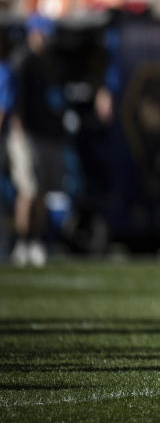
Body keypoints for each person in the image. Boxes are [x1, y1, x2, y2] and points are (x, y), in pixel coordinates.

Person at [8, 14, 65, 268]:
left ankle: (37, 242)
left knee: (42, 192)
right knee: (28, 190)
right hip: (27, 133)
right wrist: (19, 131)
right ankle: (22, 242)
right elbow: (14, 100)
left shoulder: (49, 62)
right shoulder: (22, 60)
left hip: (47, 133)